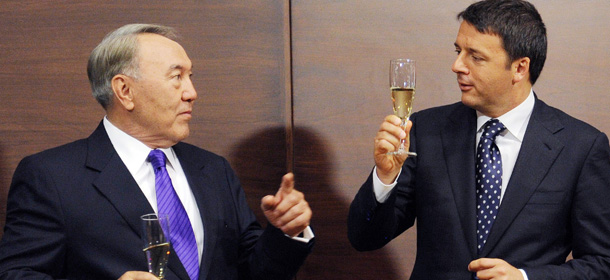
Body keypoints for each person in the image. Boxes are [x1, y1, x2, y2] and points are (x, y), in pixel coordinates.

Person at [0, 24, 314, 280]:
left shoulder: (213, 170)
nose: (192, 93)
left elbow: (253, 270)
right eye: (176, 77)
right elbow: (16, 273)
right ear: (125, 91)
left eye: (191, 77)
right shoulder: (52, 177)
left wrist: (285, 232)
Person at [348, 0, 610, 279]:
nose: (457, 65)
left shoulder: (581, 147)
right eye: (458, 51)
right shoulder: (426, 131)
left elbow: (602, 262)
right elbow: (364, 238)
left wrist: (525, 278)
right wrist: (385, 178)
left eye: (476, 56)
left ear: (520, 68)